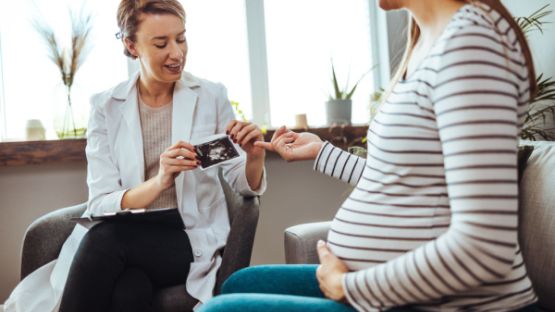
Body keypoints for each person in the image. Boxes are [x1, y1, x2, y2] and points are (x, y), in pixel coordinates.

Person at [199, 0, 538, 311]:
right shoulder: (427, 40)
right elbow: (403, 177)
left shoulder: (471, 44)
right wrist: (321, 152)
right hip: (399, 289)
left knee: (222, 309)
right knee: (241, 284)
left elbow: (484, 248)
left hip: (454, 303)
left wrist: (348, 285)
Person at [3, 1, 266, 311]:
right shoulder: (106, 106)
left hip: (187, 236)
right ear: (131, 45)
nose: (177, 53)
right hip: (129, 230)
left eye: (181, 38)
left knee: (106, 241)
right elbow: (101, 200)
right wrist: (160, 181)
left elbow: (242, 184)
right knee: (130, 291)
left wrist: (253, 157)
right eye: (161, 43)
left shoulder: (211, 96)